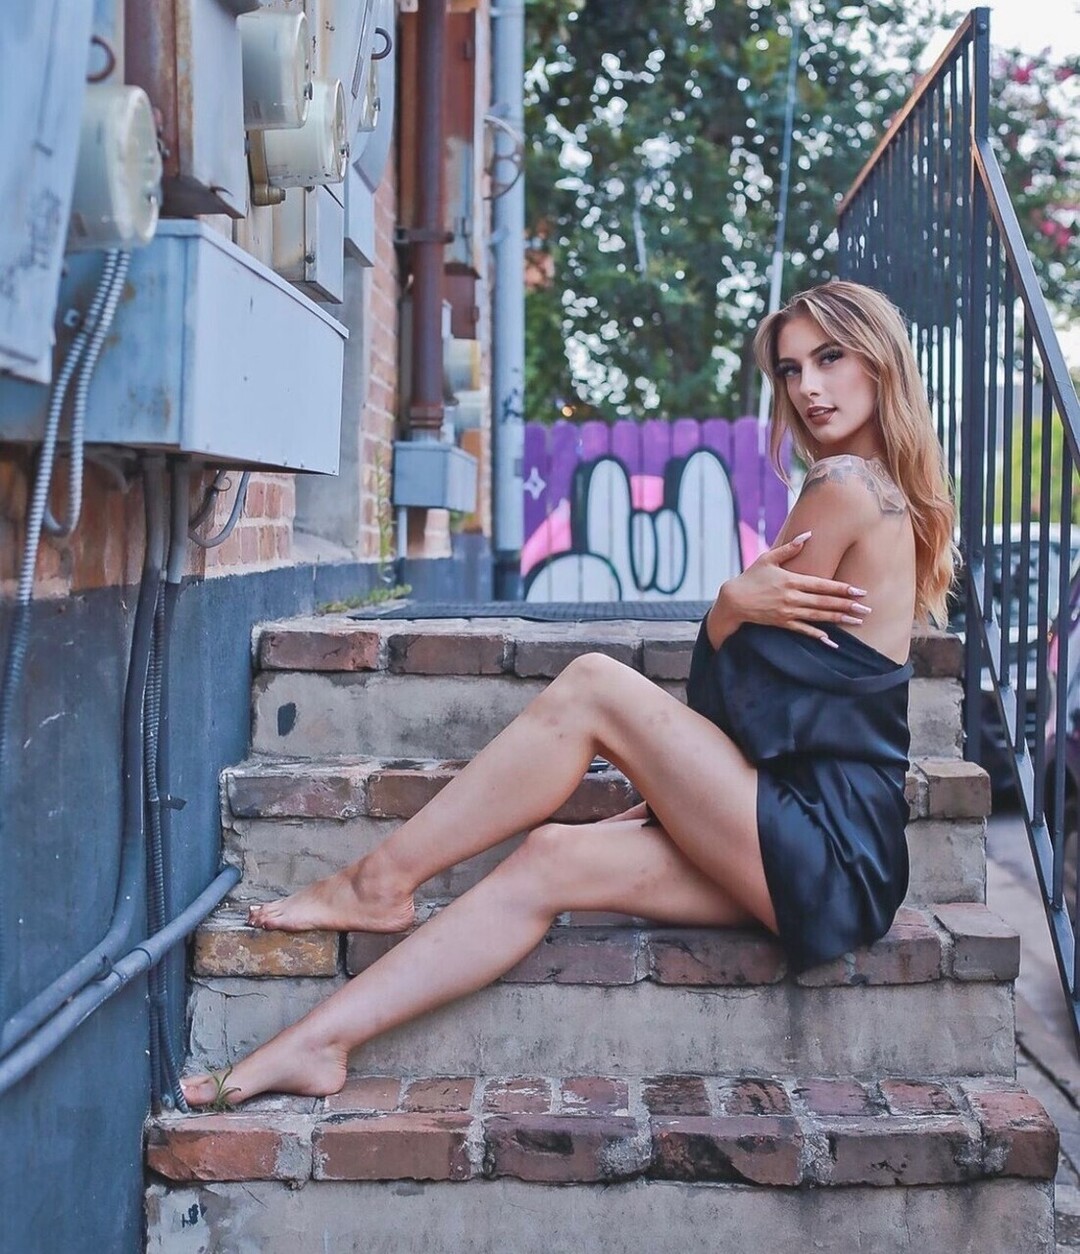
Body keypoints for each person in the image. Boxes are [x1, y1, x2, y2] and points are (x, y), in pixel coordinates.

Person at [182, 280, 956, 1108]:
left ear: (880, 360)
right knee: (549, 857)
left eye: (830, 358)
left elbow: (755, 704)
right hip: (834, 859)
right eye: (791, 369)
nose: (807, 387)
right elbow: (790, 708)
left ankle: (380, 881)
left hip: (823, 844)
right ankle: (317, 1044)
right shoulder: (887, 495)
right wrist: (685, 784)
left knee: (593, 685)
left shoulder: (844, 487)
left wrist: (726, 614)